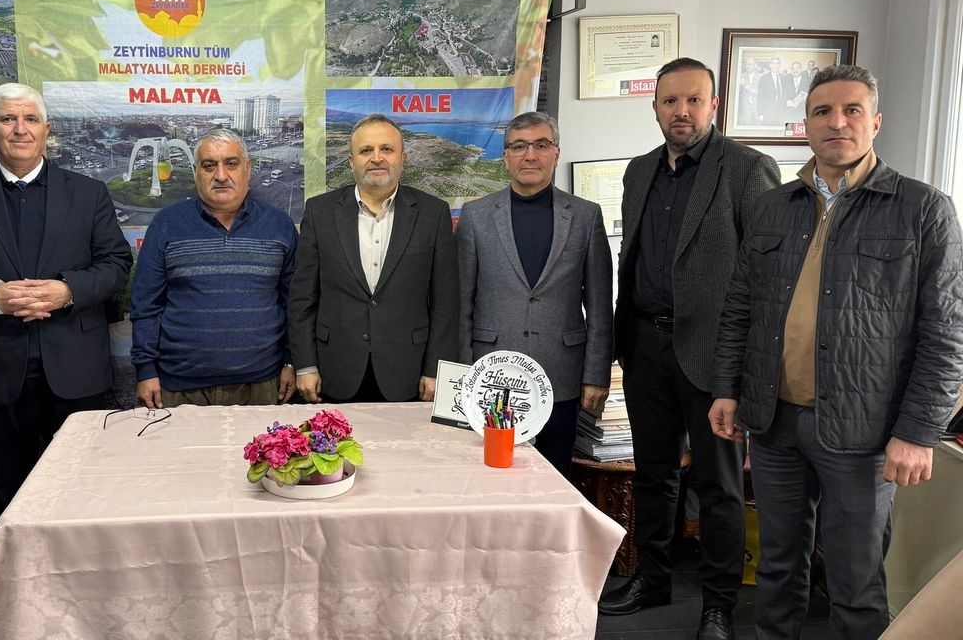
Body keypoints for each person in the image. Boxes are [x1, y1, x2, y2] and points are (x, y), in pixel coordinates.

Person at [709, 65, 963, 640]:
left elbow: (947, 332)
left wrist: (918, 432)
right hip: (774, 421)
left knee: (856, 581)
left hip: (863, 430)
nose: (837, 122)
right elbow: (741, 307)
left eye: (852, 111)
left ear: (876, 122)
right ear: (806, 125)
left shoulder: (922, 209)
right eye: (822, 111)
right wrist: (727, 389)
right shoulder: (773, 207)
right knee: (777, 566)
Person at [598, 57, 780, 640]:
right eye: (670, 101)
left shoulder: (747, 169)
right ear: (655, 107)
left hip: (713, 354)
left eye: (693, 100)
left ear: (713, 105)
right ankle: (652, 580)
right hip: (645, 345)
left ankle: (717, 605)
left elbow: (765, 275)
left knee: (718, 486)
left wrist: (743, 368)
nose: (682, 111)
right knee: (653, 474)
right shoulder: (639, 171)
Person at [0, 83, 133, 531]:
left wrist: (67, 290)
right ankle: (10, 574)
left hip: (75, 368)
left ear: (46, 129)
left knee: (80, 488)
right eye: (8, 119)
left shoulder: (89, 192)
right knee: (6, 489)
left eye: (30, 119)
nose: (20, 129)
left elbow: (117, 265)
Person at [456, 112, 612, 477]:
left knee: (555, 478)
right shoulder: (476, 216)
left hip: (562, 376)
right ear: (505, 156)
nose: (530, 155)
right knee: (489, 477)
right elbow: (461, 304)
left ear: (556, 153)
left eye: (541, 145)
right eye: (519, 146)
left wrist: (596, 374)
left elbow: (600, 306)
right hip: (490, 376)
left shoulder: (586, 217)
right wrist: (461, 376)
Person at [288, 114, 457, 403]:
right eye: (366, 150)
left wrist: (436, 368)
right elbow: (302, 297)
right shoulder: (320, 212)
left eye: (386, 149)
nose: (376, 158)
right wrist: (305, 365)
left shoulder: (433, 214)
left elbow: (446, 302)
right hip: (333, 371)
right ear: (351, 161)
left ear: (402, 158)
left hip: (408, 372)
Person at [131, 128, 297, 408]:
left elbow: (294, 303)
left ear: (247, 170)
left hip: (262, 385)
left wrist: (291, 361)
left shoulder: (280, 226)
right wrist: (145, 369)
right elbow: (146, 305)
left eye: (231, 164)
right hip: (180, 387)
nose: (221, 175)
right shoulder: (165, 224)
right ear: (196, 171)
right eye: (209, 166)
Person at [756, 57, 788, 126]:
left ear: (779, 65)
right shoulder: (764, 78)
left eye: (777, 63)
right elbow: (760, 97)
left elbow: (785, 94)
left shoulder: (784, 78)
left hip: (781, 113)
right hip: (768, 114)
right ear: (770, 65)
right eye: (773, 63)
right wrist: (760, 113)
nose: (775, 65)